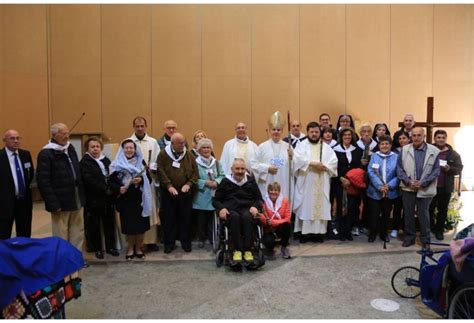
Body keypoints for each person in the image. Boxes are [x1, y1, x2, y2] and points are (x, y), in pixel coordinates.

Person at [36, 123, 85, 251]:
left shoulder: (70, 148)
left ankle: (76, 257)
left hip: (76, 196)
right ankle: (63, 260)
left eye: (67, 133)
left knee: (78, 230)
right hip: (60, 200)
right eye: (63, 133)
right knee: (61, 232)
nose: (66, 136)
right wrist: (53, 203)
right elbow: (43, 181)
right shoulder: (46, 153)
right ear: (54, 135)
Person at [293, 122, 338, 243]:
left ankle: (318, 233)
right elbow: (296, 159)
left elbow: (334, 161)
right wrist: (312, 163)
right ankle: (305, 234)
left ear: (320, 133)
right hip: (307, 180)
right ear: (307, 132)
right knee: (306, 206)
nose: (314, 134)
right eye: (312, 132)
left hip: (321, 180)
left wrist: (324, 166)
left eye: (316, 132)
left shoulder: (326, 147)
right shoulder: (301, 146)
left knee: (321, 206)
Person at [213, 158, 263, 264]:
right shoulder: (225, 182)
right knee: (235, 217)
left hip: (247, 209)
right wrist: (221, 208)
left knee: (247, 217)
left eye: (242, 169)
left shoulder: (250, 181)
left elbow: (259, 199)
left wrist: (255, 206)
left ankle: (248, 250)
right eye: (237, 169)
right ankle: (236, 250)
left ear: (245, 169)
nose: (240, 171)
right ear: (232, 169)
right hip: (231, 210)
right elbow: (216, 200)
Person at [109, 139, 152, 260]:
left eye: (131, 148)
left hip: (140, 200)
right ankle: (130, 248)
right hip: (125, 200)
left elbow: (149, 179)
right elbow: (111, 182)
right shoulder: (116, 164)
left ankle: (138, 247)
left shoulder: (141, 162)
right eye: (126, 148)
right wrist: (119, 188)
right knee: (129, 227)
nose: (129, 150)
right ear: (122, 150)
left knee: (140, 227)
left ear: (135, 149)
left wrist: (141, 180)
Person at [397, 127, 440, 248]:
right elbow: (399, 168)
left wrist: (423, 182)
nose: (416, 138)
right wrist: (408, 181)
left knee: (424, 215)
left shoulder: (434, 151)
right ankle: (409, 238)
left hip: (425, 188)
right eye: (414, 135)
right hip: (408, 187)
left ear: (424, 136)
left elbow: (436, 171)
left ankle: (426, 240)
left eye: (418, 135)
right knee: (408, 214)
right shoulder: (405, 149)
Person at [157, 133, 198, 253]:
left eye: (183, 142)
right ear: (172, 143)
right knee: (169, 218)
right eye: (179, 143)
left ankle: (185, 242)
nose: (182, 145)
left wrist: (188, 184)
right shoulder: (163, 154)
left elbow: (195, 172)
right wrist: (169, 186)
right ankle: (169, 243)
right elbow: (160, 171)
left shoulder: (189, 154)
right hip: (168, 192)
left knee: (185, 218)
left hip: (184, 192)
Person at [79, 137, 119, 259]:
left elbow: (112, 174)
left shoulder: (105, 160)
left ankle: (110, 247)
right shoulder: (85, 162)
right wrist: (104, 188)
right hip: (94, 198)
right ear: (87, 148)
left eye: (97, 146)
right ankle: (97, 248)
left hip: (108, 198)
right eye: (92, 147)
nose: (95, 149)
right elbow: (89, 179)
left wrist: (113, 188)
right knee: (94, 225)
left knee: (109, 223)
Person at [130, 116, 160, 252]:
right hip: (134, 182)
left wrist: (152, 167)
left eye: (142, 126)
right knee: (137, 211)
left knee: (151, 209)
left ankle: (151, 241)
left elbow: (157, 159)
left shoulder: (153, 142)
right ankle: (137, 242)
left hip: (149, 180)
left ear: (146, 127)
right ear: (134, 127)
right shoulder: (129, 141)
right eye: (137, 126)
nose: (140, 128)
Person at [429, 130, 463, 241]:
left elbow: (459, 168)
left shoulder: (453, 154)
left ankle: (439, 230)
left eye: (443, 137)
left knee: (442, 210)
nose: (441, 139)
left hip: (445, 187)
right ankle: (430, 228)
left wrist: (450, 169)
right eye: (438, 137)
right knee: (429, 209)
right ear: (434, 138)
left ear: (446, 138)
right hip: (430, 186)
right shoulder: (429, 150)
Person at [0, 130, 34, 239]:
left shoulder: (25, 154)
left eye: (18, 138)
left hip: (24, 201)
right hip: (4, 203)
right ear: (4, 140)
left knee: (24, 232)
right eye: (12, 138)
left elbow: (30, 173)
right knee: (3, 233)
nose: (16, 141)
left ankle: (23, 255)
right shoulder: (1, 156)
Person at [251, 111, 293, 198]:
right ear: (270, 131)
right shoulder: (262, 147)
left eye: (278, 130)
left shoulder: (288, 147)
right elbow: (253, 164)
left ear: (282, 131)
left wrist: (292, 157)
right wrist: (267, 168)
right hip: (267, 182)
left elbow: (294, 167)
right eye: (274, 129)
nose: (276, 132)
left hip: (283, 182)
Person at [332, 127, 364, 241]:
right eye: (345, 135)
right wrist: (342, 179)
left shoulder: (357, 150)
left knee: (352, 208)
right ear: (341, 136)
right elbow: (333, 166)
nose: (347, 137)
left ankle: (348, 230)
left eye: (349, 135)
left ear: (352, 136)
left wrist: (352, 180)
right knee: (341, 207)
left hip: (353, 184)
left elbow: (359, 168)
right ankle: (341, 231)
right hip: (339, 183)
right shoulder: (335, 150)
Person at [192, 138, 224, 248]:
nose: (206, 150)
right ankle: (201, 238)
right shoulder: (195, 163)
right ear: (199, 150)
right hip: (201, 196)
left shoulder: (216, 163)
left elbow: (222, 175)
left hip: (214, 195)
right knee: (201, 220)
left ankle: (212, 237)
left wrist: (216, 182)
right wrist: (205, 182)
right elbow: (192, 179)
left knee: (212, 219)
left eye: (208, 147)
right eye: (204, 148)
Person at [366, 135, 399, 243]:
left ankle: (384, 234)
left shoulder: (396, 157)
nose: (384, 146)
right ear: (379, 145)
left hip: (390, 191)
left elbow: (399, 174)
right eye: (382, 144)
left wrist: (388, 186)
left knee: (386, 214)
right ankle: (372, 233)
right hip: (375, 191)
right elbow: (371, 172)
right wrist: (380, 186)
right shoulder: (374, 156)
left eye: (387, 144)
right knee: (373, 214)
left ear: (390, 145)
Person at [259, 182, 291, 259]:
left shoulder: (285, 201)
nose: (273, 192)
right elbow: (260, 216)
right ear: (268, 191)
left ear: (279, 191)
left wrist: (273, 222)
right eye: (271, 190)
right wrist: (265, 220)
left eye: (276, 190)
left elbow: (287, 218)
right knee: (269, 244)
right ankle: (271, 243)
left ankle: (284, 247)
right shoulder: (263, 201)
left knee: (287, 225)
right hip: (268, 229)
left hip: (280, 227)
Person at [353, 123, 374, 236]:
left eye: (368, 131)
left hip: (371, 179)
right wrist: (360, 163)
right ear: (360, 133)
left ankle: (365, 224)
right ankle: (356, 224)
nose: (366, 134)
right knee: (356, 202)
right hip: (358, 177)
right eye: (363, 131)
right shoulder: (356, 145)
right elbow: (351, 162)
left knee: (368, 202)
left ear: (371, 132)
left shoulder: (376, 145)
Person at [390, 130, 411, 239]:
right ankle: (395, 228)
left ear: (408, 139)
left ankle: (406, 229)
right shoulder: (394, 151)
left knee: (408, 209)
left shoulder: (413, 150)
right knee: (397, 208)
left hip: (409, 183)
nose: (402, 140)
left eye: (404, 138)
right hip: (396, 182)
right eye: (400, 138)